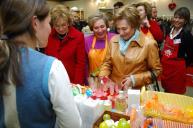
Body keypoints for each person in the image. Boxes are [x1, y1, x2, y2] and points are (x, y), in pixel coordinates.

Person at [0, 0, 81, 128]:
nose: (51, 29)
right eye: (49, 23)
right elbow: (72, 124)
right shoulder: (52, 68)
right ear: (35, 23)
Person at [99, 5, 162, 89]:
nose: (120, 33)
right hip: (115, 91)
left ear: (134, 25)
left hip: (136, 92)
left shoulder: (149, 44)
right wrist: (104, 78)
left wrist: (134, 79)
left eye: (124, 29)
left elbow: (156, 71)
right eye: (118, 29)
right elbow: (107, 63)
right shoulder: (113, 40)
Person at [44, 4, 85, 85]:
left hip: (72, 80)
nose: (61, 29)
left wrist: (77, 85)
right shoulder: (48, 35)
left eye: (63, 25)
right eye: (57, 26)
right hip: (53, 80)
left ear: (68, 23)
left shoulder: (78, 36)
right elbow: (46, 59)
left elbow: (80, 63)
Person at [161, 7, 193, 94]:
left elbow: (191, 55)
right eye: (176, 17)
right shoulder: (168, 30)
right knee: (166, 90)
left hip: (177, 72)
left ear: (186, 21)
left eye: (181, 18)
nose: (177, 20)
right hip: (166, 69)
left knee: (176, 94)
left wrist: (181, 66)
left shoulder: (186, 35)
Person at [85, 13, 116, 77]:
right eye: (96, 28)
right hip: (93, 80)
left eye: (102, 26)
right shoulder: (86, 41)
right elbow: (85, 64)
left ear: (107, 26)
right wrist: (87, 80)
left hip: (112, 80)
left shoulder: (114, 39)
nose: (100, 30)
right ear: (92, 29)